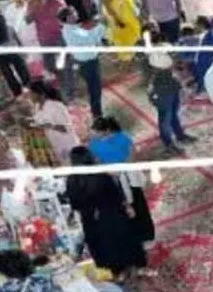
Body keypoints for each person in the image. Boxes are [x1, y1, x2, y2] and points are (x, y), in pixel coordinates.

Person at [66, 147, 149, 277]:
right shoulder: (100, 173)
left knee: (106, 247)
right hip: (113, 214)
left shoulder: (71, 181)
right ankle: (136, 266)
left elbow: (74, 204)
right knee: (125, 242)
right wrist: (126, 206)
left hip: (92, 220)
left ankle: (118, 272)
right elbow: (115, 193)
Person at [144, 51, 186, 156]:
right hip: (162, 93)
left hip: (170, 88)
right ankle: (168, 144)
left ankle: (180, 135)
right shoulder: (156, 60)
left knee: (173, 114)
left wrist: (178, 86)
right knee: (165, 120)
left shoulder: (167, 67)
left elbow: (171, 71)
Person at [24, 0, 67, 78]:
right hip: (44, 37)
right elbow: (27, 21)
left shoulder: (56, 2)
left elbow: (66, 18)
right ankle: (56, 75)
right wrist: (33, 11)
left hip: (59, 35)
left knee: (64, 58)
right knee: (48, 62)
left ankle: (65, 75)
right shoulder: (31, 3)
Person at [0, 5, 30, 95]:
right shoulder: (5, 23)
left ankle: (17, 92)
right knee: (21, 69)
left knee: (8, 75)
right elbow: (14, 36)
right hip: (12, 50)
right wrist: (21, 47)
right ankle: (29, 86)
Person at [28, 81, 78, 158]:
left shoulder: (56, 106)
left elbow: (67, 128)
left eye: (32, 93)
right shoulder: (37, 107)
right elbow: (38, 122)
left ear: (41, 94)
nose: (30, 96)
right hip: (56, 147)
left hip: (69, 146)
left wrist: (51, 126)